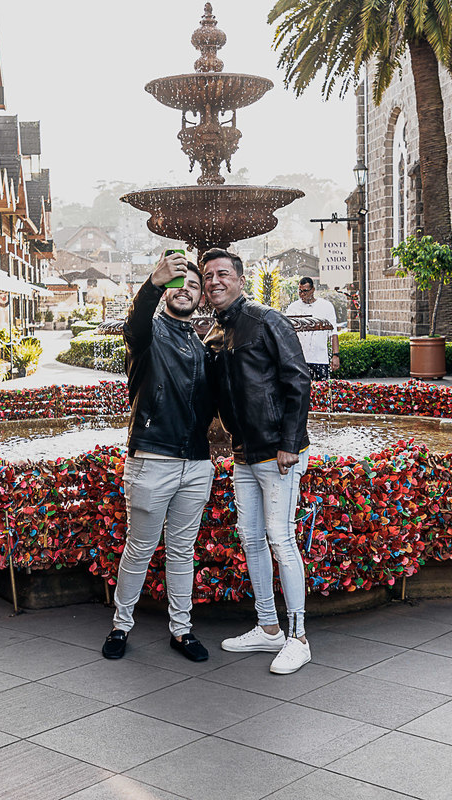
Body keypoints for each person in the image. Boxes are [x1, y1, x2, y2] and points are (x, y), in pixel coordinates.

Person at [201, 248, 314, 674]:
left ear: (240, 278)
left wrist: (290, 441)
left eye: (223, 273)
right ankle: (268, 628)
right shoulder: (213, 334)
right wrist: (216, 441)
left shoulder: (267, 319)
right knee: (250, 538)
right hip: (244, 455)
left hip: (279, 454)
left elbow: (297, 379)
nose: (214, 281)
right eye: (208, 275)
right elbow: (216, 400)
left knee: (280, 539)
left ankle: (298, 636)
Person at [102, 251, 214, 663]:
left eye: (193, 285)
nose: (185, 290)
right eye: (177, 283)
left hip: (197, 464)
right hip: (152, 460)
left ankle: (181, 631)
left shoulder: (204, 346)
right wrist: (152, 282)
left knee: (183, 553)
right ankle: (121, 625)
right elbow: (136, 319)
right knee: (140, 549)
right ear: (166, 289)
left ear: (202, 298)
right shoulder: (147, 335)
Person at [284, 276, 339, 380]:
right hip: (300, 360)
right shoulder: (293, 307)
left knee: (322, 391)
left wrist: (336, 355)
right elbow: (287, 334)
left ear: (313, 290)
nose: (302, 294)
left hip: (320, 359)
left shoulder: (326, 306)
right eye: (300, 291)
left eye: (305, 291)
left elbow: (333, 333)